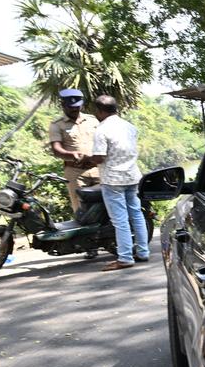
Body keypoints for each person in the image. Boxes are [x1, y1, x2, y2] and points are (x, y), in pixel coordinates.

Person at [86, 95, 149, 271]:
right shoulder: (129, 127)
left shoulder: (102, 129)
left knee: (120, 220)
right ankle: (143, 252)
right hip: (132, 176)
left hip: (113, 179)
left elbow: (99, 157)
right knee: (136, 214)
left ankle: (125, 257)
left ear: (99, 111)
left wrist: (86, 160)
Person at [47, 88, 101, 214]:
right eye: (70, 107)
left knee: (105, 205)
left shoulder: (93, 120)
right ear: (63, 105)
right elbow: (56, 149)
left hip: (98, 169)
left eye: (77, 106)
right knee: (81, 209)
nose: (74, 109)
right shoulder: (56, 125)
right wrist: (72, 155)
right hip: (75, 172)